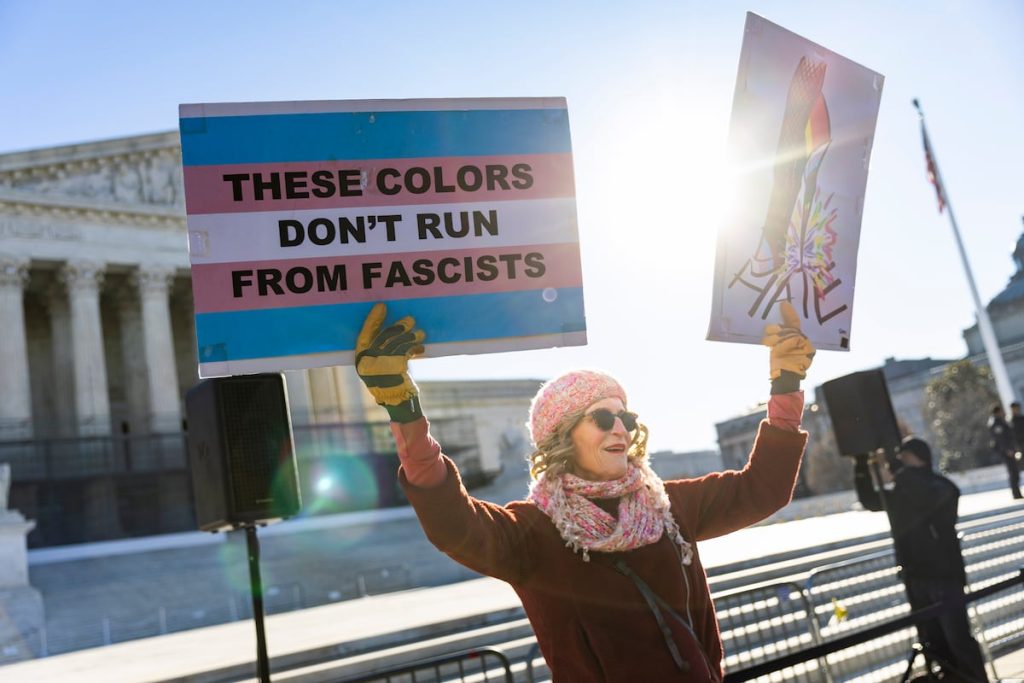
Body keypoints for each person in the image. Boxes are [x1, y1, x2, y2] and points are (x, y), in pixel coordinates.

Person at [353, 301, 813, 681]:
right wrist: (404, 410)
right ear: (562, 435)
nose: (621, 429)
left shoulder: (668, 506)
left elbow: (763, 488)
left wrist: (787, 384)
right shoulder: (531, 533)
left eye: (626, 417)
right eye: (603, 417)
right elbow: (453, 521)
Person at [854, 438, 987, 682]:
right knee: (934, 641)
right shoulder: (902, 493)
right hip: (916, 577)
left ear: (920, 459)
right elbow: (870, 500)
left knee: (957, 638)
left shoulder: (941, 487)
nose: (900, 465)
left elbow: (926, 499)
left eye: (905, 458)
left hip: (944, 576)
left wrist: (899, 471)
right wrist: (861, 466)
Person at [988, 404, 1022, 499]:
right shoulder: (996, 423)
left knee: (1015, 472)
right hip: (1007, 452)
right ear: (998, 412)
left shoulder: (1001, 421)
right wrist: (1007, 450)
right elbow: (1000, 439)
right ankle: (1016, 494)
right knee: (1013, 472)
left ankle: (1017, 493)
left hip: (1010, 451)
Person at [1005, 403, 1024, 500]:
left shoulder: (1021, 418)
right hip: (1017, 449)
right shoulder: (1009, 421)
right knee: (1014, 472)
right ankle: (1016, 493)